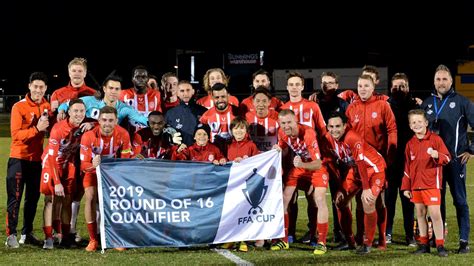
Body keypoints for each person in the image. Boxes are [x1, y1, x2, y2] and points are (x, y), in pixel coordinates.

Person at [421, 64, 474, 253]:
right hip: (433, 164)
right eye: (438, 79)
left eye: (444, 79)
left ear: (451, 81)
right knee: (437, 202)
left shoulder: (462, 102)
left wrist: (471, 150)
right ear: (434, 82)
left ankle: (463, 242)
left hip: (455, 161)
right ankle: (438, 239)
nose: (441, 82)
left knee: (460, 201)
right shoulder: (426, 104)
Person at [324, 111, 387, 253]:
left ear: (345, 126)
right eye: (331, 126)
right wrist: (341, 186)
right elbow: (330, 161)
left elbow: (361, 163)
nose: (334, 130)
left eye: (338, 126)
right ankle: (350, 241)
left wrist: (365, 188)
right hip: (356, 170)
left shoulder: (352, 137)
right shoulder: (327, 138)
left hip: (374, 169)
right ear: (327, 127)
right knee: (339, 201)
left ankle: (369, 243)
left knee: (368, 201)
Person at [346, 74, 397, 248]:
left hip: (377, 163)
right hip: (358, 163)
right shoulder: (351, 108)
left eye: (366, 86)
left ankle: (381, 239)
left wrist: (390, 154)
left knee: (378, 200)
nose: (363, 89)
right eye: (360, 86)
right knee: (360, 200)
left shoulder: (383, 106)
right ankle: (361, 236)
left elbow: (392, 130)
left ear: (373, 87)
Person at [271, 109, 329, 255]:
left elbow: (317, 163)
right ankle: (284, 240)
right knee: (284, 199)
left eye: (289, 122)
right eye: (283, 123)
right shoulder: (282, 132)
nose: (286, 126)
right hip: (300, 166)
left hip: (315, 167)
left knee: (320, 199)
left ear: (296, 120)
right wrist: (278, 148)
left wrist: (302, 165)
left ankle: (322, 242)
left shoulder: (308, 134)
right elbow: (283, 144)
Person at [5, 72, 50, 248]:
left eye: (42, 87)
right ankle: (11, 235)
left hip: (37, 160)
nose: (38, 90)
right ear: (29, 86)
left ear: (46, 88)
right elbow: (16, 135)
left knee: (33, 198)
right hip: (18, 159)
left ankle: (27, 233)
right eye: (35, 86)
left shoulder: (47, 106)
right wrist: (37, 129)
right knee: (15, 198)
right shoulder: (19, 107)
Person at [79, 106, 132, 252]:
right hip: (92, 171)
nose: (107, 123)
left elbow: (126, 159)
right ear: (98, 120)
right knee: (90, 197)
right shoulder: (89, 136)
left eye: (110, 120)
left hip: (112, 172)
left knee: (116, 200)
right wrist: (93, 165)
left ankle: (115, 238)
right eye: (104, 120)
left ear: (116, 121)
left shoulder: (123, 134)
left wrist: (117, 173)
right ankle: (93, 239)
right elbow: (83, 165)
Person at [40, 99, 90, 249]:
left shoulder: (85, 125)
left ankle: (66, 237)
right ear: (68, 112)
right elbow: (52, 156)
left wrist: (93, 124)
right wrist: (56, 182)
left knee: (67, 200)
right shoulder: (58, 128)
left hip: (69, 164)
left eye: (82, 111)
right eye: (75, 111)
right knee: (50, 199)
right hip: (51, 163)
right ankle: (48, 238)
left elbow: (101, 123)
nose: (79, 114)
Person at [401, 109, 450, 257]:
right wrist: (406, 187)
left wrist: (437, 155)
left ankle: (440, 245)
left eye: (419, 121)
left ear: (426, 123)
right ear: (410, 126)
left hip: (431, 185)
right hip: (416, 186)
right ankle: (424, 244)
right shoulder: (410, 144)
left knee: (435, 214)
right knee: (420, 214)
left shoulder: (435, 140)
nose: (417, 124)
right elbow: (407, 168)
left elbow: (447, 158)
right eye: (413, 122)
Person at [385, 73, 418, 246]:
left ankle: (409, 235)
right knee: (389, 199)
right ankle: (387, 232)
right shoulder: (386, 106)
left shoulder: (415, 105)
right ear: (391, 88)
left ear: (408, 87)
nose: (399, 89)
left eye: (402, 86)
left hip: (408, 162)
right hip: (390, 162)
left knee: (408, 200)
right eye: (396, 86)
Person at [199, 83, 238, 153]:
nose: (220, 100)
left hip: (235, 151)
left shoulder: (238, 113)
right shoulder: (206, 116)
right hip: (215, 153)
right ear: (212, 98)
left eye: (223, 96)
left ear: (228, 96)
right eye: (217, 97)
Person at [165, 80, 207, 146]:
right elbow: (166, 132)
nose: (185, 93)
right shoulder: (170, 113)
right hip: (179, 152)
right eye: (182, 91)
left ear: (193, 91)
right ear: (177, 93)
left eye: (188, 90)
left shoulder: (204, 111)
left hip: (199, 153)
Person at [245, 87, 279, 152]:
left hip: (271, 157)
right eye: (257, 101)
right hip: (254, 157)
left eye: (264, 101)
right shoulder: (247, 117)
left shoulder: (277, 116)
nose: (261, 104)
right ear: (253, 102)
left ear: (269, 102)